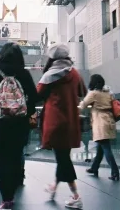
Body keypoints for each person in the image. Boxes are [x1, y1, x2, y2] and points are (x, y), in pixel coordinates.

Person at [0, 43, 38, 210]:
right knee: (15, 159)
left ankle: (5, 198)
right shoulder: (24, 73)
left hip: (0, 125)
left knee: (1, 161)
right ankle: (12, 194)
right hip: (20, 126)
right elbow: (34, 97)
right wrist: (25, 113)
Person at [37, 44, 86, 209]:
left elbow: (38, 94)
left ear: (52, 58)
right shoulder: (75, 73)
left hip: (55, 122)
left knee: (63, 159)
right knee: (63, 156)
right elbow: (82, 92)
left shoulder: (49, 75)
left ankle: (76, 196)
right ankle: (54, 187)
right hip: (71, 122)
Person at [80, 74, 119, 180]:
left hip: (100, 123)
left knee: (106, 149)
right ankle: (94, 168)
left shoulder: (93, 93)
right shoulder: (108, 93)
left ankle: (115, 172)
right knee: (100, 148)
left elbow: (83, 105)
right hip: (109, 121)